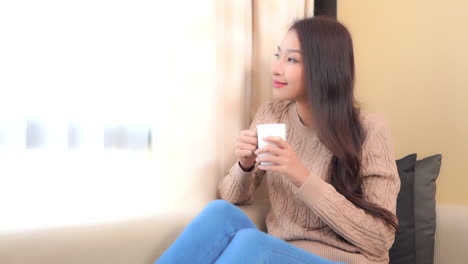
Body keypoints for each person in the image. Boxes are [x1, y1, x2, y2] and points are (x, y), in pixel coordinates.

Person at [156, 16, 400, 264]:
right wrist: (245, 165)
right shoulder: (272, 114)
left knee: (253, 244)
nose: (276, 68)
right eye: (278, 56)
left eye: (291, 59)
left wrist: (300, 175)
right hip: (281, 253)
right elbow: (232, 197)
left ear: (324, 68)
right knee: (220, 212)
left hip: (346, 260)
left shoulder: (370, 129)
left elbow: (380, 239)